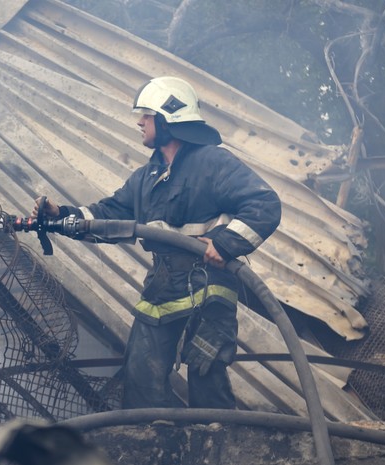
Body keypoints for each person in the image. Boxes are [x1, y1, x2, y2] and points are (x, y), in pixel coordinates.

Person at [33, 76, 281, 409]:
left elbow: (264, 204)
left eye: (146, 115)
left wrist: (225, 243)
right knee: (140, 380)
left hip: (207, 290)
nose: (139, 122)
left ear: (168, 118)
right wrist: (60, 213)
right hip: (161, 290)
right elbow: (107, 213)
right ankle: (161, 446)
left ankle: (218, 448)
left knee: (206, 381)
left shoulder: (213, 163)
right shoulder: (145, 177)